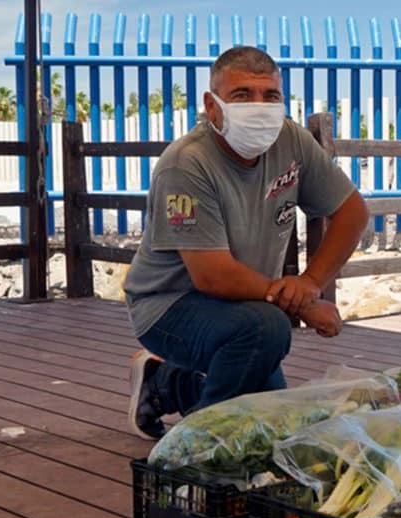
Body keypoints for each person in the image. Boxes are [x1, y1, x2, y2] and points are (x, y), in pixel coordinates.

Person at [122, 45, 369, 440]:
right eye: (241, 95)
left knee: (273, 418)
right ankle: (199, 449)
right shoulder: (186, 163)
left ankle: (165, 383)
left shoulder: (292, 141)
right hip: (168, 305)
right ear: (212, 105)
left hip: (247, 304)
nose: (259, 106)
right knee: (266, 334)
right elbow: (212, 276)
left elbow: (352, 213)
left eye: (270, 96)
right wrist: (303, 305)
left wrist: (310, 282)